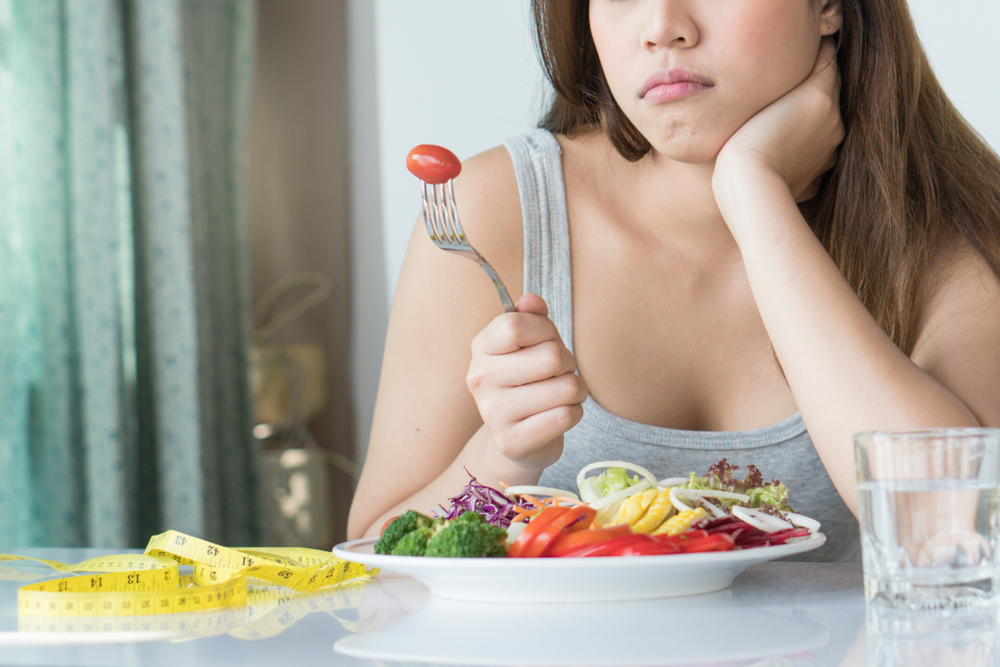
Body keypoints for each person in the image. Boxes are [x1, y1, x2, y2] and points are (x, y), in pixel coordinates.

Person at [347, 0, 1000, 561]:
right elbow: (370, 564)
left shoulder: (951, 233)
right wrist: (500, 458)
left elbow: (955, 536)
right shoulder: (492, 212)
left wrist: (754, 193)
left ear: (829, 4)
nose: (662, 26)